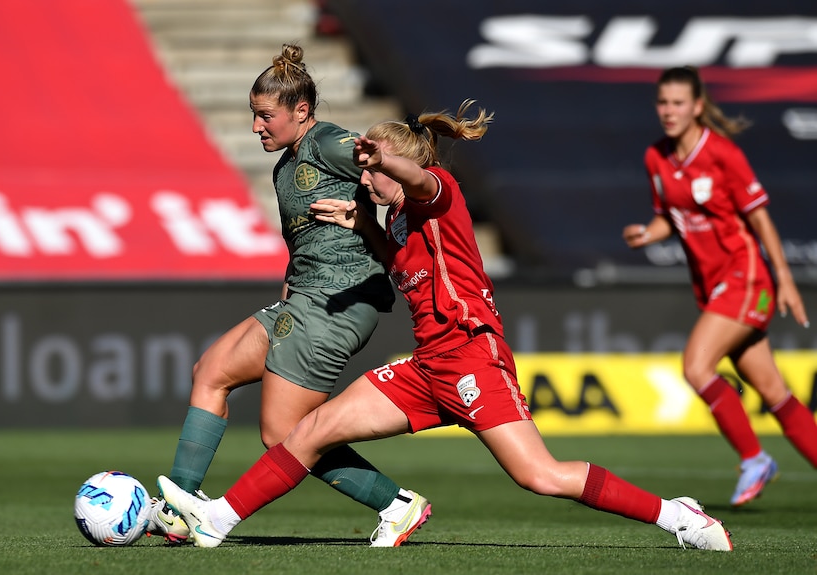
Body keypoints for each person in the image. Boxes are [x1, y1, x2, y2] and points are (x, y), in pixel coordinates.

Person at [156, 100, 733, 551]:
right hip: (427, 364)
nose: (363, 174)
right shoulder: (399, 218)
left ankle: (676, 515)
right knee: (308, 432)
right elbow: (395, 254)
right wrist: (363, 224)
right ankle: (217, 518)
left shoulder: (438, 194)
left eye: (369, 165)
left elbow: (421, 178)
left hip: (473, 359)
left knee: (542, 476)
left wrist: (385, 160)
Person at [146, 43, 431, 547]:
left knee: (285, 434)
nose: (256, 126)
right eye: (253, 116)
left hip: (338, 304)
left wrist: (400, 192)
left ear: (301, 112)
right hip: (302, 301)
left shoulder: (326, 142)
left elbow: (390, 165)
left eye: (265, 116)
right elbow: (303, 243)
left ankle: (396, 505)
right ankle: (179, 508)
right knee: (209, 372)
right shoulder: (285, 167)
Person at [622, 66, 817, 506]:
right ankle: (759, 456)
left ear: (698, 106)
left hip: (745, 278)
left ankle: (754, 459)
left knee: (696, 366)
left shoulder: (723, 154)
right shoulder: (657, 157)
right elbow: (668, 217)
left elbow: (760, 217)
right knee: (774, 392)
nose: (668, 111)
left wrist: (784, 279)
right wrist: (647, 234)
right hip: (714, 288)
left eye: (677, 103)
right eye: (663, 103)